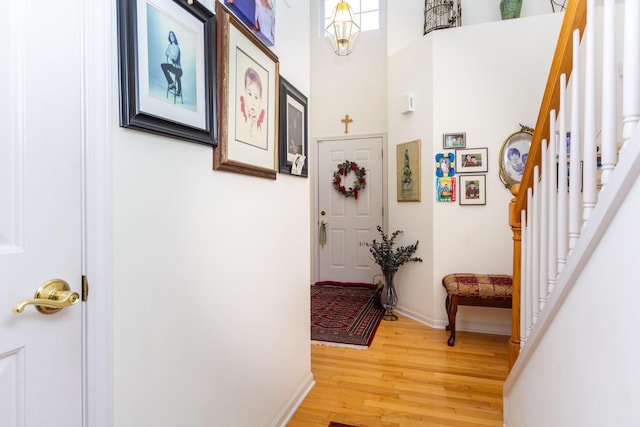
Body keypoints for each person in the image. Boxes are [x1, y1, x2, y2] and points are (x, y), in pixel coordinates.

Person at [238, 67, 266, 142]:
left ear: (260, 102)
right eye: (250, 94)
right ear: (244, 94)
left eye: (256, 97)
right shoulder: (241, 120)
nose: (253, 102)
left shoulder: (260, 129)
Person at [161, 31, 182, 96]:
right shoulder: (170, 45)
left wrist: (169, 54)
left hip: (178, 69)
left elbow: (175, 59)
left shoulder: (177, 47)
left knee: (177, 77)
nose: (171, 37)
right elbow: (166, 52)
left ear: (174, 37)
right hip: (173, 66)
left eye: (172, 35)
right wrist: (169, 54)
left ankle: (179, 91)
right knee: (163, 66)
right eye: (170, 36)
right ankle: (171, 83)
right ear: (169, 37)